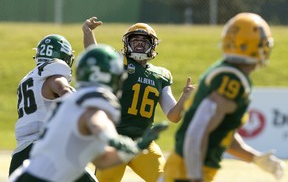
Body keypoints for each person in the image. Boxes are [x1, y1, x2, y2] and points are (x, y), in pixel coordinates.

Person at [9, 44, 169, 182]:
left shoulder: (74, 99)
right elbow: (94, 120)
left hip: (35, 175)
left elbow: (103, 160)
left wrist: (135, 148)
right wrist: (113, 138)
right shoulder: (94, 101)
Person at [162, 12, 286, 182]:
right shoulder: (231, 80)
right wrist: (194, 176)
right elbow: (197, 130)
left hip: (186, 165)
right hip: (189, 169)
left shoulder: (227, 73)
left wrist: (255, 158)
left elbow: (221, 133)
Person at [81, 17, 195, 182]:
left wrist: (184, 97)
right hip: (115, 140)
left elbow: (173, 116)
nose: (139, 43)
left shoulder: (161, 75)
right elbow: (95, 57)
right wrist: (87, 32)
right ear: (127, 43)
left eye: (144, 40)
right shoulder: (120, 62)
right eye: (135, 40)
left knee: (166, 180)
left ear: (153, 45)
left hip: (144, 142)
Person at [9, 34, 75, 176]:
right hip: (46, 151)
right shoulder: (55, 73)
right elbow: (63, 89)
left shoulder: (28, 79)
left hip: (20, 155)